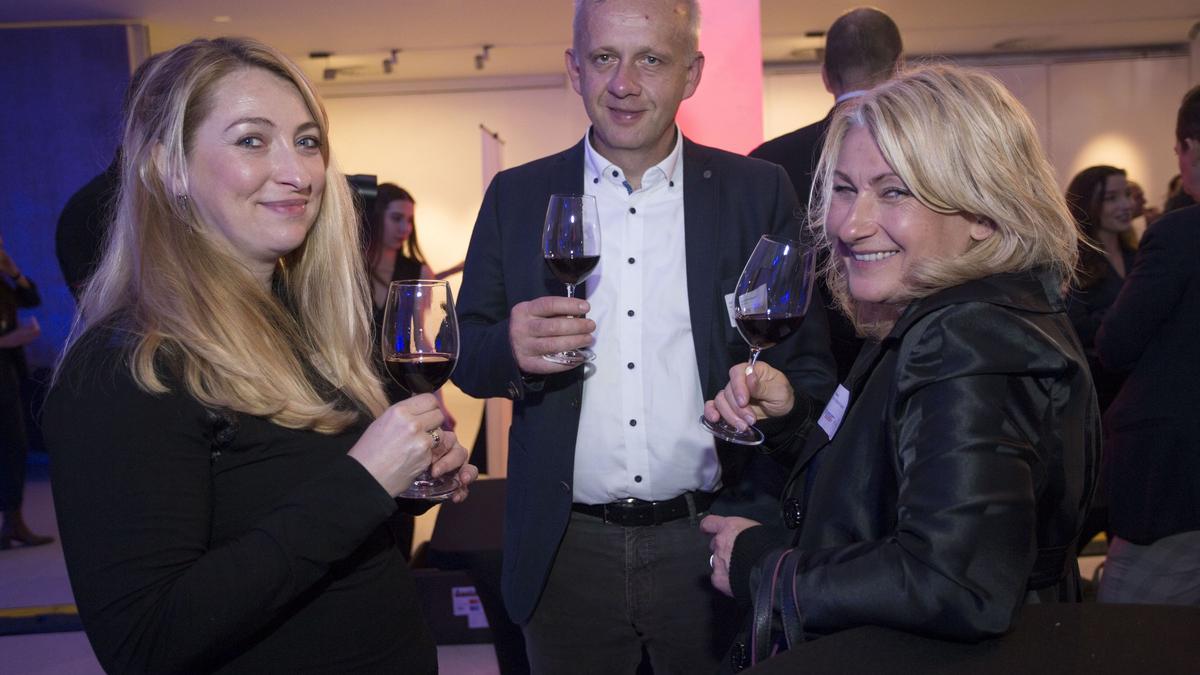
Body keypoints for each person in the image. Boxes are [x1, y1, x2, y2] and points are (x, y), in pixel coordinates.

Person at [42, 37, 478, 673]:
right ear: (168, 167)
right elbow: (146, 641)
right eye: (252, 140)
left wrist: (407, 481)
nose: (298, 172)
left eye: (307, 141)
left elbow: (290, 502)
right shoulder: (127, 365)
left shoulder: (316, 327)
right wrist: (363, 481)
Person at [452, 0, 836, 671]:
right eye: (604, 57)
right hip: (566, 552)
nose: (624, 83)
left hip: (713, 538)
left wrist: (777, 410)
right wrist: (509, 348)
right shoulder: (517, 196)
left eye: (651, 59)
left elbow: (809, 372)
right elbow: (464, 352)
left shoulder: (756, 191)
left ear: (692, 73)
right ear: (575, 68)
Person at [701, 65, 1099, 661]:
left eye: (894, 192)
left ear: (983, 212)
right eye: (844, 189)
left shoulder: (967, 335)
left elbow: (952, 582)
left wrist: (764, 567)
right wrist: (793, 422)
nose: (851, 225)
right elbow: (898, 479)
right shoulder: (941, 309)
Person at [750, 6, 903, 383]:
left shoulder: (768, 160)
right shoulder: (924, 154)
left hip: (793, 368)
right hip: (902, 358)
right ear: (900, 68)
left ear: (825, 76)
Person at [1095, 84, 1200, 606]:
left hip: (1176, 484)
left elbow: (1116, 344)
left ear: (1190, 148)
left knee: (1131, 631)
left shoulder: (1179, 235)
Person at [1064, 165, 1136, 412]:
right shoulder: (1073, 262)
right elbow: (1075, 327)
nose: (1126, 205)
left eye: (1127, 194)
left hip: (1135, 386)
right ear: (1088, 205)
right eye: (1111, 198)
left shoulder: (1138, 256)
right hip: (1096, 391)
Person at [0, 233, 51, 549]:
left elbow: (32, 298)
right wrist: (4, 341)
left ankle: (13, 521)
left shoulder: (3, 280)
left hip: (8, 373)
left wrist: (14, 271)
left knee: (14, 446)